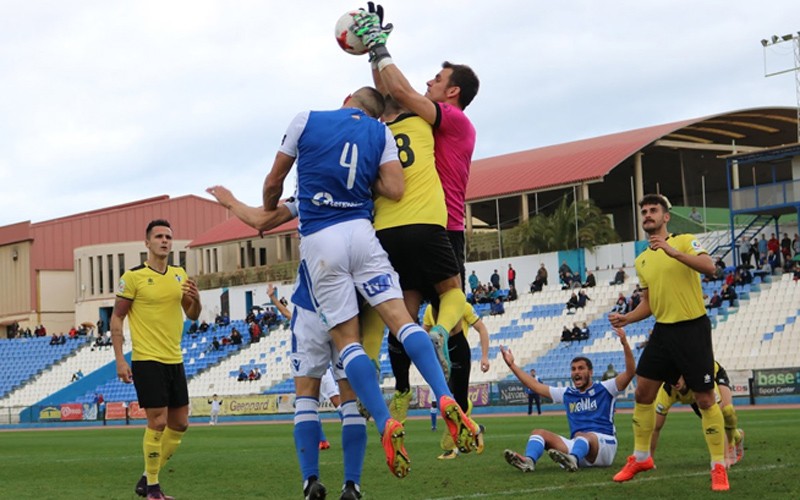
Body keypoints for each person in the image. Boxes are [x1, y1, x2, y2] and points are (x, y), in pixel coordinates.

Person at [212, 87, 479, 483]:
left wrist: (238, 200)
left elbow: (269, 196)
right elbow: (395, 188)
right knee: (402, 321)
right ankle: (444, 395)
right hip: (362, 232)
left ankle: (385, 421)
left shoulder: (307, 120)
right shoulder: (380, 132)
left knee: (348, 344)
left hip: (323, 241)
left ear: (347, 97)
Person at [353, 8, 480, 292]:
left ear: (452, 92)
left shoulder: (455, 119)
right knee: (419, 309)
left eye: (437, 79)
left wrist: (379, 45)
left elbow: (402, 93)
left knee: (448, 311)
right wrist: (375, 55)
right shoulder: (427, 119)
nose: (428, 82)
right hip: (421, 221)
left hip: (444, 224)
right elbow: (389, 97)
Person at [609, 194, 729, 491]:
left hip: (692, 328)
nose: (647, 215)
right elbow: (649, 303)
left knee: (704, 399)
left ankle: (718, 466)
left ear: (666, 217)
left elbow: (709, 267)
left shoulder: (686, 240)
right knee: (643, 393)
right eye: (644, 211)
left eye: (653, 211)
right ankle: (641, 457)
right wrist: (627, 318)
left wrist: (672, 252)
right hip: (663, 331)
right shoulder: (642, 260)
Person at [111, 219, 202, 500]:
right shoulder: (133, 277)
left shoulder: (179, 274)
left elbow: (193, 315)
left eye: (169, 237)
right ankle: (153, 489)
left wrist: (196, 299)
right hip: (147, 359)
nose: (165, 241)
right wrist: (119, 359)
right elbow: (117, 317)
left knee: (180, 423)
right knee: (158, 422)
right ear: (147, 243)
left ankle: (146, 479)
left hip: (174, 358)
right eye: (159, 236)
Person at [500, 327, 635, 473]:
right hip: (578, 447)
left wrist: (625, 344)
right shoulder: (568, 393)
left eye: (580, 368)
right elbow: (536, 386)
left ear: (590, 372)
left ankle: (572, 459)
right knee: (538, 433)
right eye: (573, 369)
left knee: (584, 436)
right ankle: (529, 461)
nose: (576, 372)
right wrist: (512, 365)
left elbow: (630, 372)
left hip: (604, 446)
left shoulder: (606, 388)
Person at [420, 302, 490, 460]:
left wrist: (484, 356)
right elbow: (424, 333)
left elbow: (482, 328)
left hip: (459, 355)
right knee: (447, 402)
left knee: (455, 403)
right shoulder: (430, 309)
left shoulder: (461, 304)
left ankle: (454, 448)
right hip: (441, 359)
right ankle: (474, 428)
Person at [650, 361, 745, 468]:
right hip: (694, 395)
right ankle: (738, 436)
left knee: (726, 411)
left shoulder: (700, 380)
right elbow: (655, 428)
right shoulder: (666, 392)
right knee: (655, 424)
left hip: (711, 376)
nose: (674, 380)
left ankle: (731, 445)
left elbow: (717, 420)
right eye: (670, 377)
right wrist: (649, 460)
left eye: (677, 375)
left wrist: (725, 458)